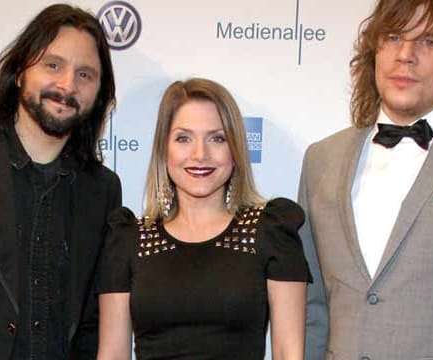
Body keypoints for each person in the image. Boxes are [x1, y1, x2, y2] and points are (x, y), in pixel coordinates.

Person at [299, 0, 433, 359]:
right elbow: (313, 309)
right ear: (374, 49)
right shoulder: (321, 160)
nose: (406, 55)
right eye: (393, 36)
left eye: (429, 41)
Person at [0, 4, 121, 359]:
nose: (67, 85)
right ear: (19, 72)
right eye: (53, 65)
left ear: (99, 94)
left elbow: (92, 322)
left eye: (85, 75)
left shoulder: (102, 189)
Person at [96, 78, 310, 360]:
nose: (200, 154)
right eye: (183, 138)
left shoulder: (270, 232)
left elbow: (288, 353)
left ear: (235, 151)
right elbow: (112, 354)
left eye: (217, 138)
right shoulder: (128, 239)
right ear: (164, 150)